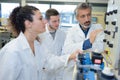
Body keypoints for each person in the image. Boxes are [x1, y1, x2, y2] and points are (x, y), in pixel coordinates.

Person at [0, 5, 82, 80]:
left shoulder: (37, 45)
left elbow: (49, 61)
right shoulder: (12, 51)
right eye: (40, 19)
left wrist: (71, 56)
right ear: (28, 24)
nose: (45, 21)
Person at [62, 3, 105, 80]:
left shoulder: (98, 28)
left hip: (93, 70)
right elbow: (66, 50)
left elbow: (102, 47)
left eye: (88, 15)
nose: (87, 19)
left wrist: (81, 47)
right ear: (77, 18)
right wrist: (88, 43)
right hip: (74, 70)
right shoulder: (72, 31)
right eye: (83, 16)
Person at [39, 8, 66, 80]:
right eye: (54, 21)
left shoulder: (63, 34)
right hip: (45, 73)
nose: (57, 23)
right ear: (47, 21)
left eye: (58, 20)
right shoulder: (40, 35)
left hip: (58, 72)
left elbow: (64, 52)